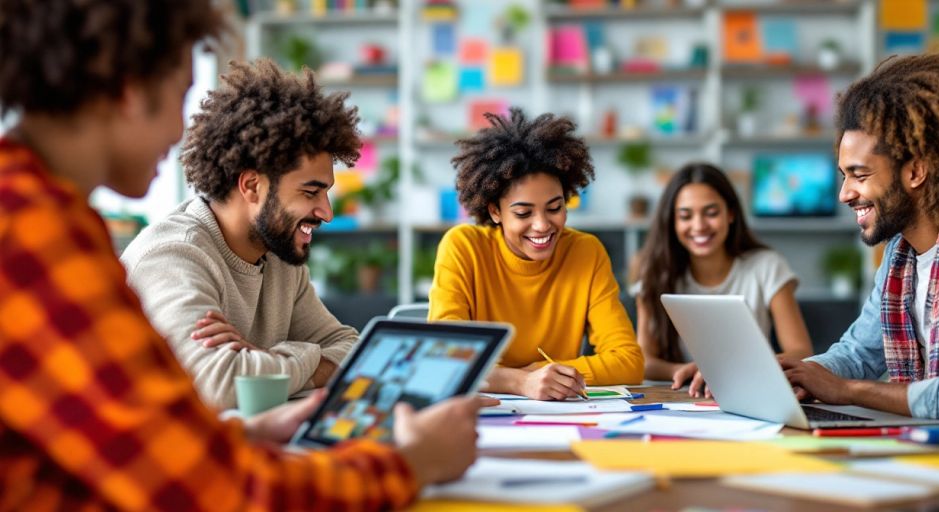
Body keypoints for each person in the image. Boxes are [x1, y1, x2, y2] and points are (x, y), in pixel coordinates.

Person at [0, 1, 490, 509]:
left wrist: (247, 424)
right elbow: (216, 490)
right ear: (129, 89)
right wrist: (412, 464)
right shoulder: (31, 231)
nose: (178, 131)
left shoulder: (51, 216)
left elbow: (129, 446)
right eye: (180, 97)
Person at [782, 53, 939, 425]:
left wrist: (852, 392)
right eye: (844, 176)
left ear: (915, 171)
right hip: (932, 448)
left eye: (859, 175)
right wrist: (782, 375)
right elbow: (857, 354)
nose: (845, 194)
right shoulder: (901, 255)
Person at [121, 59, 359, 409]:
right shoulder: (174, 255)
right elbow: (219, 386)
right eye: (310, 192)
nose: (326, 212)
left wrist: (262, 360)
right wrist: (306, 361)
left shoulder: (279, 256)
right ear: (251, 185)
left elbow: (352, 348)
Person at [428, 108, 645, 400]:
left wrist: (545, 373)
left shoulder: (586, 252)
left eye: (555, 208)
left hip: (560, 414)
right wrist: (519, 382)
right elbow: (445, 359)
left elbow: (628, 362)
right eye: (523, 213)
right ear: (495, 211)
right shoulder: (463, 247)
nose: (542, 225)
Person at [633, 163, 813, 396]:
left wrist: (736, 370)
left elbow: (801, 350)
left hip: (752, 391)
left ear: (730, 213)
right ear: (672, 222)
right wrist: (687, 370)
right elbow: (643, 360)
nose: (699, 226)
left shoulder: (767, 266)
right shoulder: (655, 273)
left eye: (711, 213)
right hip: (684, 395)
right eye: (685, 216)